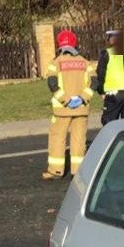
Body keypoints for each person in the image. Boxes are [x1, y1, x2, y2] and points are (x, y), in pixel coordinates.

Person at [42, 30, 97, 181]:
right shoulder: (86, 62)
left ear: (60, 45)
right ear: (75, 44)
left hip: (62, 110)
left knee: (57, 138)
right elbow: (95, 83)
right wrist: (82, 98)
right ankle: (77, 171)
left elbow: (52, 84)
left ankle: (56, 171)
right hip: (81, 108)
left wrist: (66, 100)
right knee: (79, 139)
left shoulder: (56, 63)